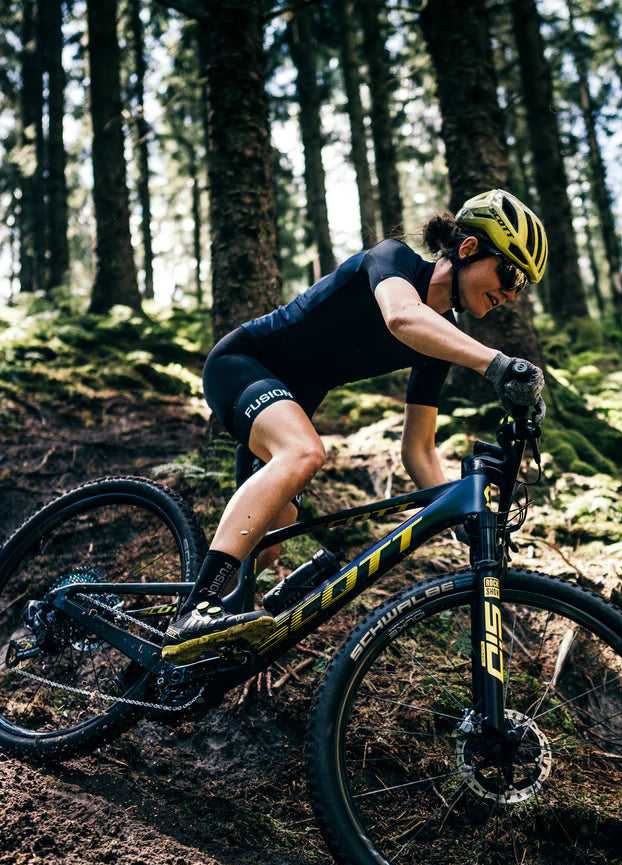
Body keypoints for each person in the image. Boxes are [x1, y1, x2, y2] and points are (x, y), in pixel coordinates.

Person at [162, 189, 549, 665]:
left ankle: (173, 653)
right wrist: (498, 365)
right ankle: (193, 611)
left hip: (287, 404)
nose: (511, 294)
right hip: (242, 365)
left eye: (521, 287)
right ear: (468, 249)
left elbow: (418, 451)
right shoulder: (393, 259)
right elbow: (401, 316)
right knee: (304, 453)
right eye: (510, 273)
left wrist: (464, 521)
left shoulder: (441, 339)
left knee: (270, 538)